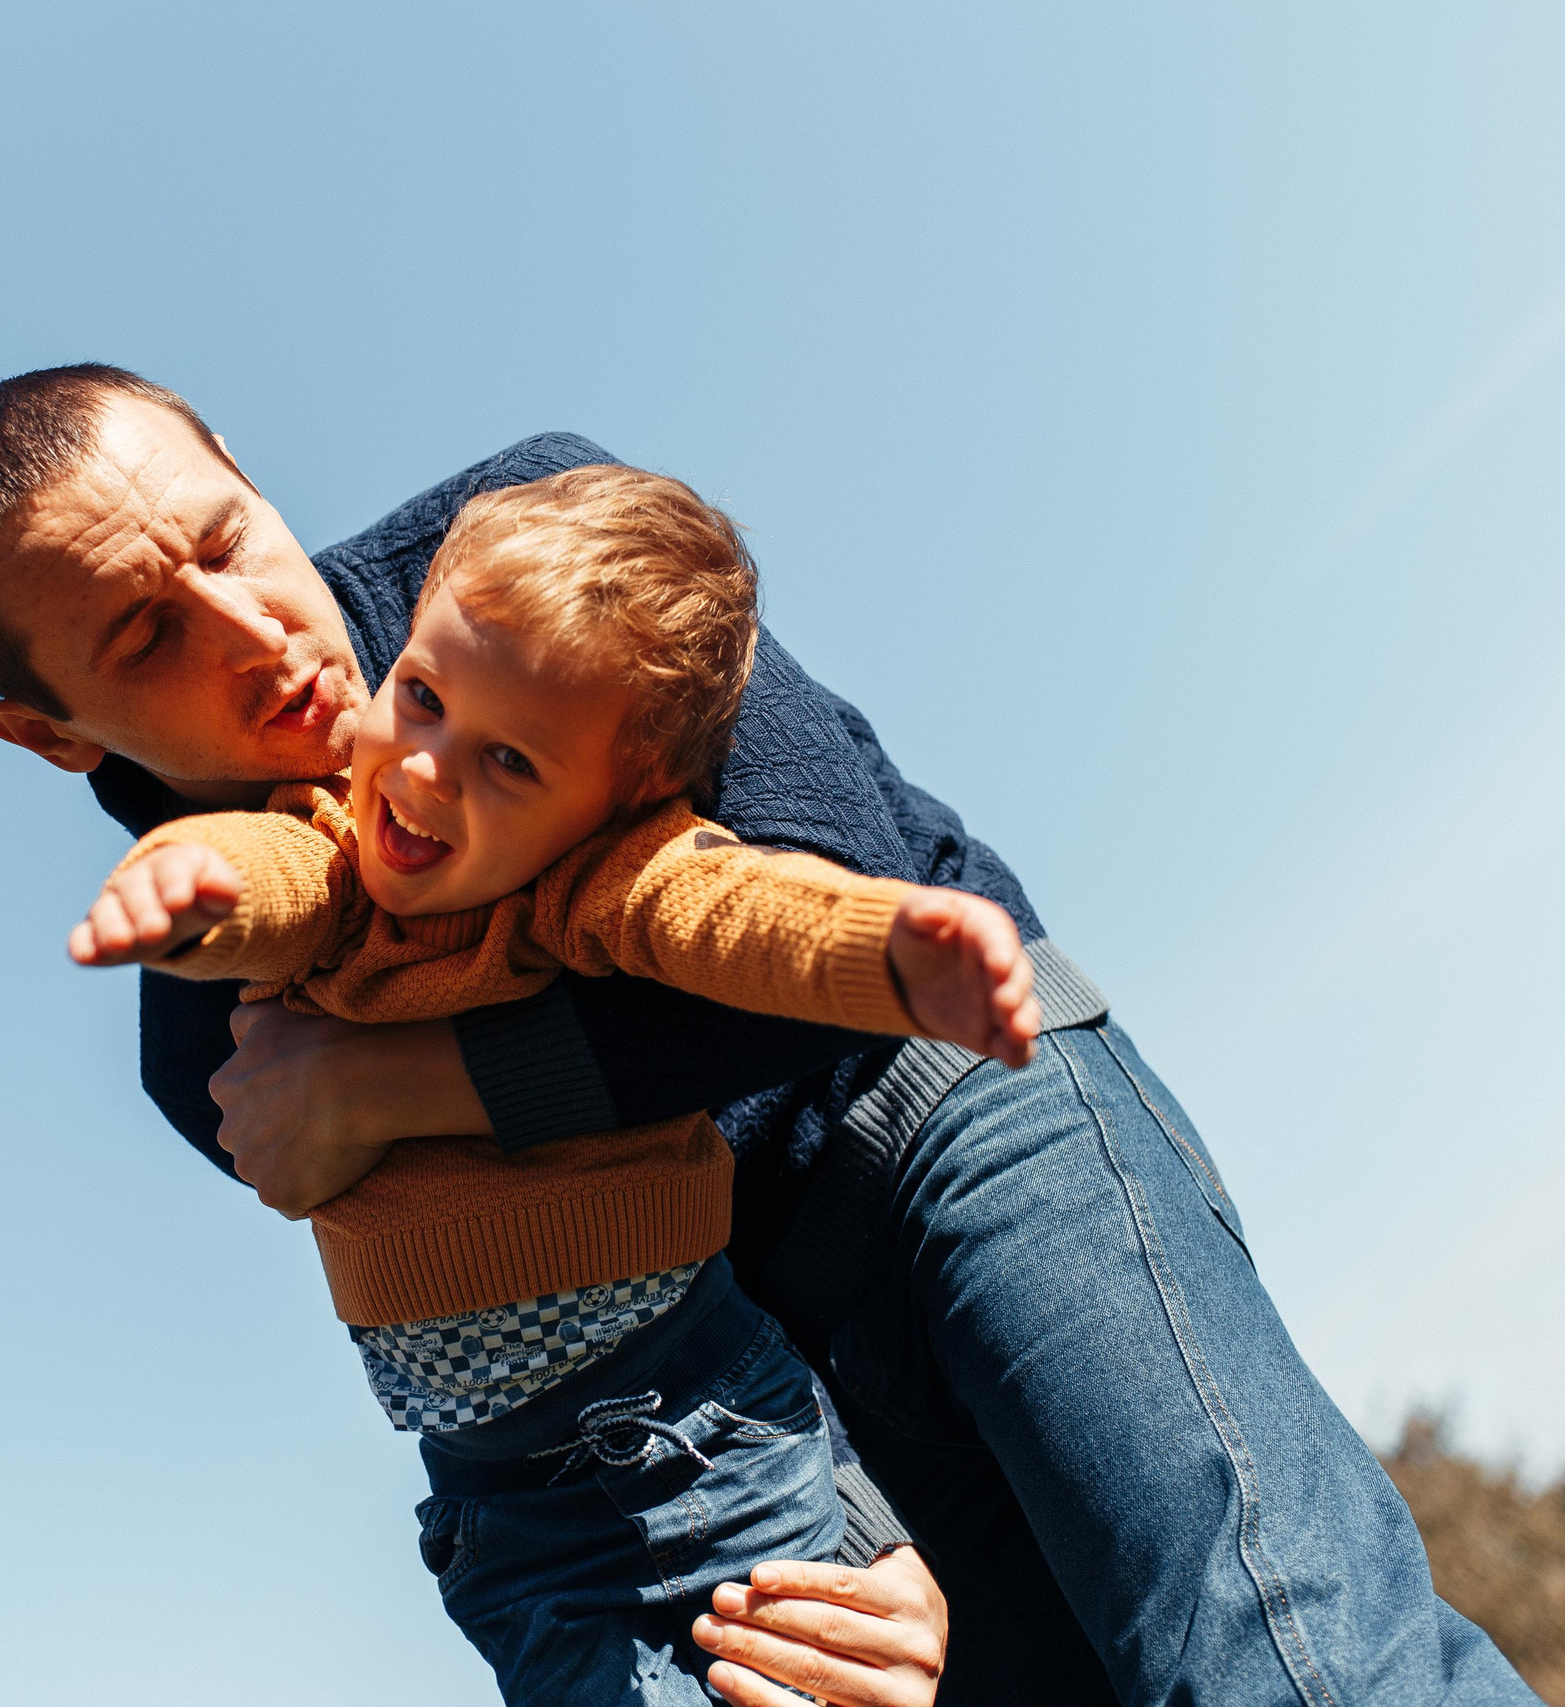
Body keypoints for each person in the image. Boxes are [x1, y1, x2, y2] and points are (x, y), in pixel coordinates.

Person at [0, 364, 1539, 1704]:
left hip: (949, 1094)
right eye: (145, 636)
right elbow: (538, 1289)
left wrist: (410, 1079)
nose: (256, 633)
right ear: (44, 733)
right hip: (735, 1347)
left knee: (1272, 1657)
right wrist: (827, 1547)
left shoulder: (542, 546)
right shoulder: (205, 1040)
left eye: (225, 537)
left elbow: (834, 881)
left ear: (240, 463)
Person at [68, 465, 1037, 1704]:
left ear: (610, 808)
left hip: (702, 1432)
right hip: (504, 1514)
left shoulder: (586, 892)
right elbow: (264, 874)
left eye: (510, 762)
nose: (423, 772)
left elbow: (734, 909)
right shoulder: (336, 854)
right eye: (417, 696)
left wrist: (888, 945)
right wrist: (185, 885)